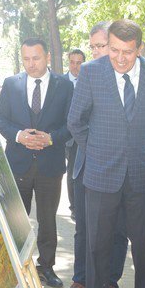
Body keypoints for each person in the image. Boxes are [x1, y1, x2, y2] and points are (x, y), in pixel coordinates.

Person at [67, 19, 145, 288]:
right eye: (113, 50)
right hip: (100, 175)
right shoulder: (93, 72)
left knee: (141, 244)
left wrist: (136, 150)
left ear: (139, 48)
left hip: (139, 175)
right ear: (106, 45)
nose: (120, 58)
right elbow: (76, 121)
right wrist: (97, 151)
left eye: (127, 52)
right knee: (98, 245)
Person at [0, 37, 74, 287]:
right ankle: (15, 267)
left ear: (47, 56)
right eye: (26, 59)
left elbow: (72, 125)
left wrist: (51, 139)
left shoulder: (65, 86)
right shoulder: (11, 84)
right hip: (18, 163)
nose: (31, 64)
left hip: (50, 165)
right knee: (16, 219)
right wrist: (19, 136)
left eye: (36, 58)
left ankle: (46, 267)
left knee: (48, 220)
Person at [61, 22, 130, 288]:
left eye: (102, 46)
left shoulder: (129, 77)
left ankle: (109, 284)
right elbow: (75, 121)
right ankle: (81, 280)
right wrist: (96, 149)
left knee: (117, 228)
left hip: (120, 168)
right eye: (94, 47)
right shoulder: (88, 75)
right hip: (86, 164)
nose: (97, 52)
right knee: (84, 227)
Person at [65, 48, 85, 214]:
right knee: (68, 172)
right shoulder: (60, 82)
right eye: (72, 62)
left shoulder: (89, 81)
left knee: (76, 172)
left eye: (79, 63)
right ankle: (73, 206)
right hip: (62, 135)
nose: (75, 66)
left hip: (81, 136)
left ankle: (76, 207)